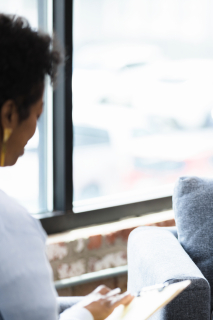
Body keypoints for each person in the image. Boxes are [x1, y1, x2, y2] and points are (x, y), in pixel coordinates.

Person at [0, 14, 133, 320]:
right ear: (9, 115)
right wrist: (87, 316)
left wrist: (79, 307)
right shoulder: (12, 228)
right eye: (37, 113)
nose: (36, 128)